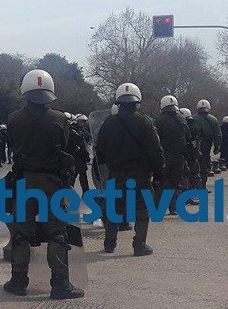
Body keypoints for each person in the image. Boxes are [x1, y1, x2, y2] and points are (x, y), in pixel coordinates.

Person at [2, 69, 84, 300]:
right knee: (57, 233)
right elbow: (64, 144)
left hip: (25, 182)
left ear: (25, 92)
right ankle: (60, 283)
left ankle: (18, 281)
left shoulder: (13, 119)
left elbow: (14, 145)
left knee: (21, 234)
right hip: (52, 182)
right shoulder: (59, 118)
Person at [96, 83, 164, 256]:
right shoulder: (145, 122)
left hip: (116, 173)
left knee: (113, 208)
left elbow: (99, 150)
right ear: (137, 102)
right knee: (142, 208)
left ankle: (109, 243)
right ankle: (139, 244)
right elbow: (155, 151)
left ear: (119, 102)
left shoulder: (108, 122)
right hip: (140, 174)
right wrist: (158, 173)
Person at [154, 95, 189, 214]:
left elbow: (155, 139)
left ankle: (158, 207)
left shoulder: (158, 120)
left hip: (164, 156)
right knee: (175, 182)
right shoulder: (182, 118)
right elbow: (188, 137)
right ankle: (173, 207)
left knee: (160, 181)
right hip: (179, 156)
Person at [193, 100, 222, 179]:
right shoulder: (214, 119)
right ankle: (203, 185)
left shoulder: (192, 118)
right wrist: (217, 146)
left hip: (194, 144)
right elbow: (218, 135)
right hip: (206, 144)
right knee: (204, 164)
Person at [68, 114, 91, 194]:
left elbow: (87, 141)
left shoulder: (85, 131)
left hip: (81, 157)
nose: (83, 123)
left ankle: (86, 193)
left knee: (83, 176)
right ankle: (68, 194)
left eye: (84, 122)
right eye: (81, 121)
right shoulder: (72, 130)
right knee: (72, 176)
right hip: (75, 156)